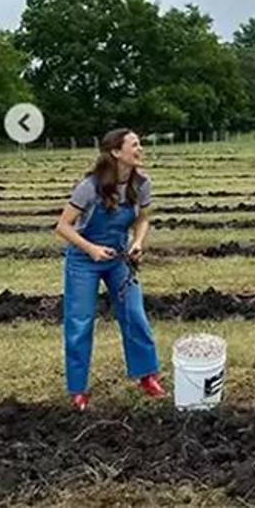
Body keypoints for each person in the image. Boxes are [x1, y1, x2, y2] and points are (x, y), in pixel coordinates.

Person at [55, 128, 165, 410]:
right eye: (135, 145)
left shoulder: (141, 183)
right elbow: (63, 226)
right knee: (80, 322)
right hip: (84, 260)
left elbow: (142, 219)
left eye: (140, 144)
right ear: (117, 152)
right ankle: (79, 389)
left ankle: (146, 376)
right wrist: (91, 249)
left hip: (118, 257)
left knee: (134, 314)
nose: (140, 149)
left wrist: (138, 242)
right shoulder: (90, 186)